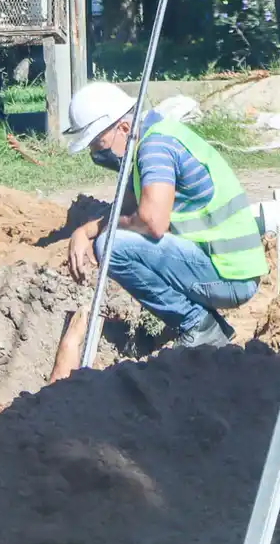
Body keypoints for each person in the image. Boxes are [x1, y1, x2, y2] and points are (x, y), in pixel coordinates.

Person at [63, 82, 268, 348]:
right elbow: (126, 207)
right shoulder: (153, 138)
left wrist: (102, 234)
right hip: (227, 268)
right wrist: (85, 232)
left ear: (123, 128)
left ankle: (198, 324)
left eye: (98, 143)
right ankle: (207, 324)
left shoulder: (155, 148)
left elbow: (152, 222)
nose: (95, 154)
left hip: (230, 276)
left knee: (110, 247)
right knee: (109, 238)